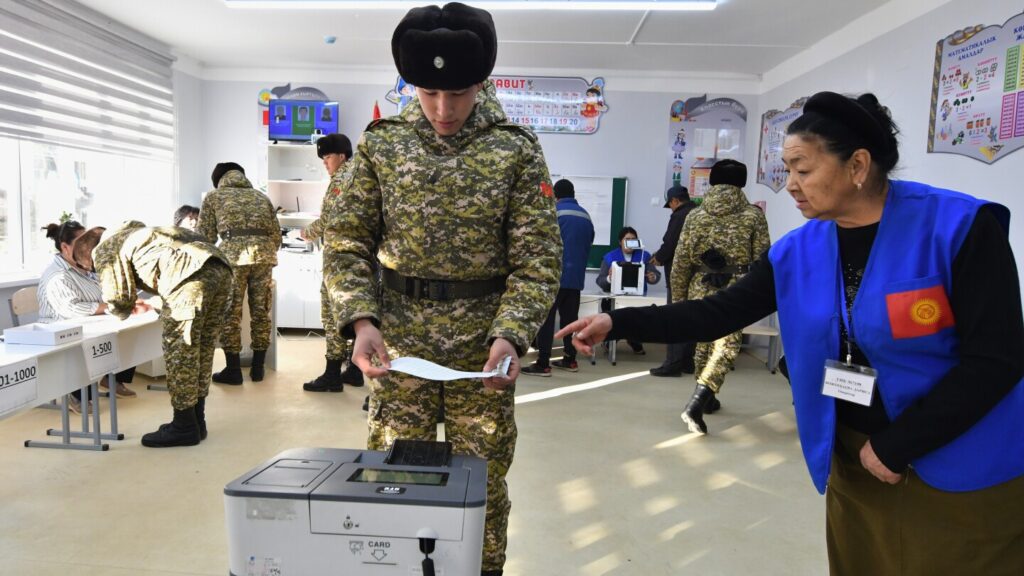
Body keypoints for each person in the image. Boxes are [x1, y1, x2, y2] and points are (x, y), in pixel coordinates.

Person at [557, 91, 1024, 575]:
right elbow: (717, 313)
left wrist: (899, 444)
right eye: (787, 170)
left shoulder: (958, 229)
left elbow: (997, 359)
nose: (791, 186)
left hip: (960, 461)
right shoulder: (800, 248)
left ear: (858, 165)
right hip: (857, 458)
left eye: (803, 170)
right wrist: (618, 322)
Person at [322, 4, 562, 574]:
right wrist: (360, 321)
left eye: (458, 92)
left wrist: (511, 335)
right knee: (392, 477)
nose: (443, 109)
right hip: (398, 346)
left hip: (483, 351)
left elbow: (538, 258)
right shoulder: (382, 145)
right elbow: (346, 241)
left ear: (482, 82)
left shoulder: (515, 148)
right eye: (429, 92)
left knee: (483, 484)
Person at [73, 221, 233, 447]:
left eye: (89, 269)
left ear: (88, 256)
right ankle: (197, 421)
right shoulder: (136, 234)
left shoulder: (104, 249)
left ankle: (184, 426)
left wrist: (121, 307)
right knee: (202, 348)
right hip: (220, 268)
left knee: (181, 352)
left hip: (188, 276)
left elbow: (119, 301)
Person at [673, 160, 770, 434]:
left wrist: (678, 301)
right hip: (736, 288)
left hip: (699, 285)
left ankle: (708, 397)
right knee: (726, 347)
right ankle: (697, 402)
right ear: (743, 182)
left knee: (703, 343)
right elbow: (763, 259)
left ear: (712, 182)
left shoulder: (694, 215)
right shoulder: (753, 216)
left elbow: (681, 261)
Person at [37, 220, 143, 413]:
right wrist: (109, 306)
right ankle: (75, 393)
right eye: (82, 241)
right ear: (65, 247)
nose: (89, 246)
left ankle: (112, 378)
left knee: (129, 329)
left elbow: (105, 293)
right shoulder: (57, 275)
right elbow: (71, 309)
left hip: (91, 323)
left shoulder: (86, 268)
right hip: (61, 331)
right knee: (86, 343)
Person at [197, 163, 281, 384]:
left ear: (218, 180)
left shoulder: (214, 196)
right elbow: (276, 236)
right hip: (264, 257)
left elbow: (204, 238)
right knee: (261, 311)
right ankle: (258, 367)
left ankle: (233, 370)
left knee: (230, 313)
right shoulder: (261, 197)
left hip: (233, 259)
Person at [299, 133, 364, 392]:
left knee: (332, 316)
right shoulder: (360, 175)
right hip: (359, 258)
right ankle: (355, 371)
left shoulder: (341, 180)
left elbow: (328, 220)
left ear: (342, 156)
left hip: (339, 260)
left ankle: (332, 375)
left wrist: (306, 233)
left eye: (327, 157)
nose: (325, 163)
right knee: (355, 315)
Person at [522, 179, 594, 376]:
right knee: (570, 321)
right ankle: (570, 360)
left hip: (554, 278)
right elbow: (589, 243)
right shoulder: (585, 216)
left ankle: (543, 363)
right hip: (576, 279)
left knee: (546, 321)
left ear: (556, 195)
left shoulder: (554, 213)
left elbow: (542, 243)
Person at [648, 184, 697, 377]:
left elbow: (670, 243)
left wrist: (658, 258)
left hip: (678, 277)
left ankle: (673, 364)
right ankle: (687, 362)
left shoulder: (679, 215)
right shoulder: (699, 214)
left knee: (674, 317)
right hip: (696, 276)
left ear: (675, 201)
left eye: (670, 204)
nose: (671, 208)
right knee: (691, 318)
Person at [595, 226, 659, 355]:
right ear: (620, 241)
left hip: (637, 299)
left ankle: (632, 339)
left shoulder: (644, 256)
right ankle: (618, 339)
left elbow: (655, 275)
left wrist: (653, 277)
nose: (630, 242)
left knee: (638, 316)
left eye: (633, 240)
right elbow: (600, 281)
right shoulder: (609, 257)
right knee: (618, 316)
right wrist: (609, 278)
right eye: (627, 239)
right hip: (615, 300)